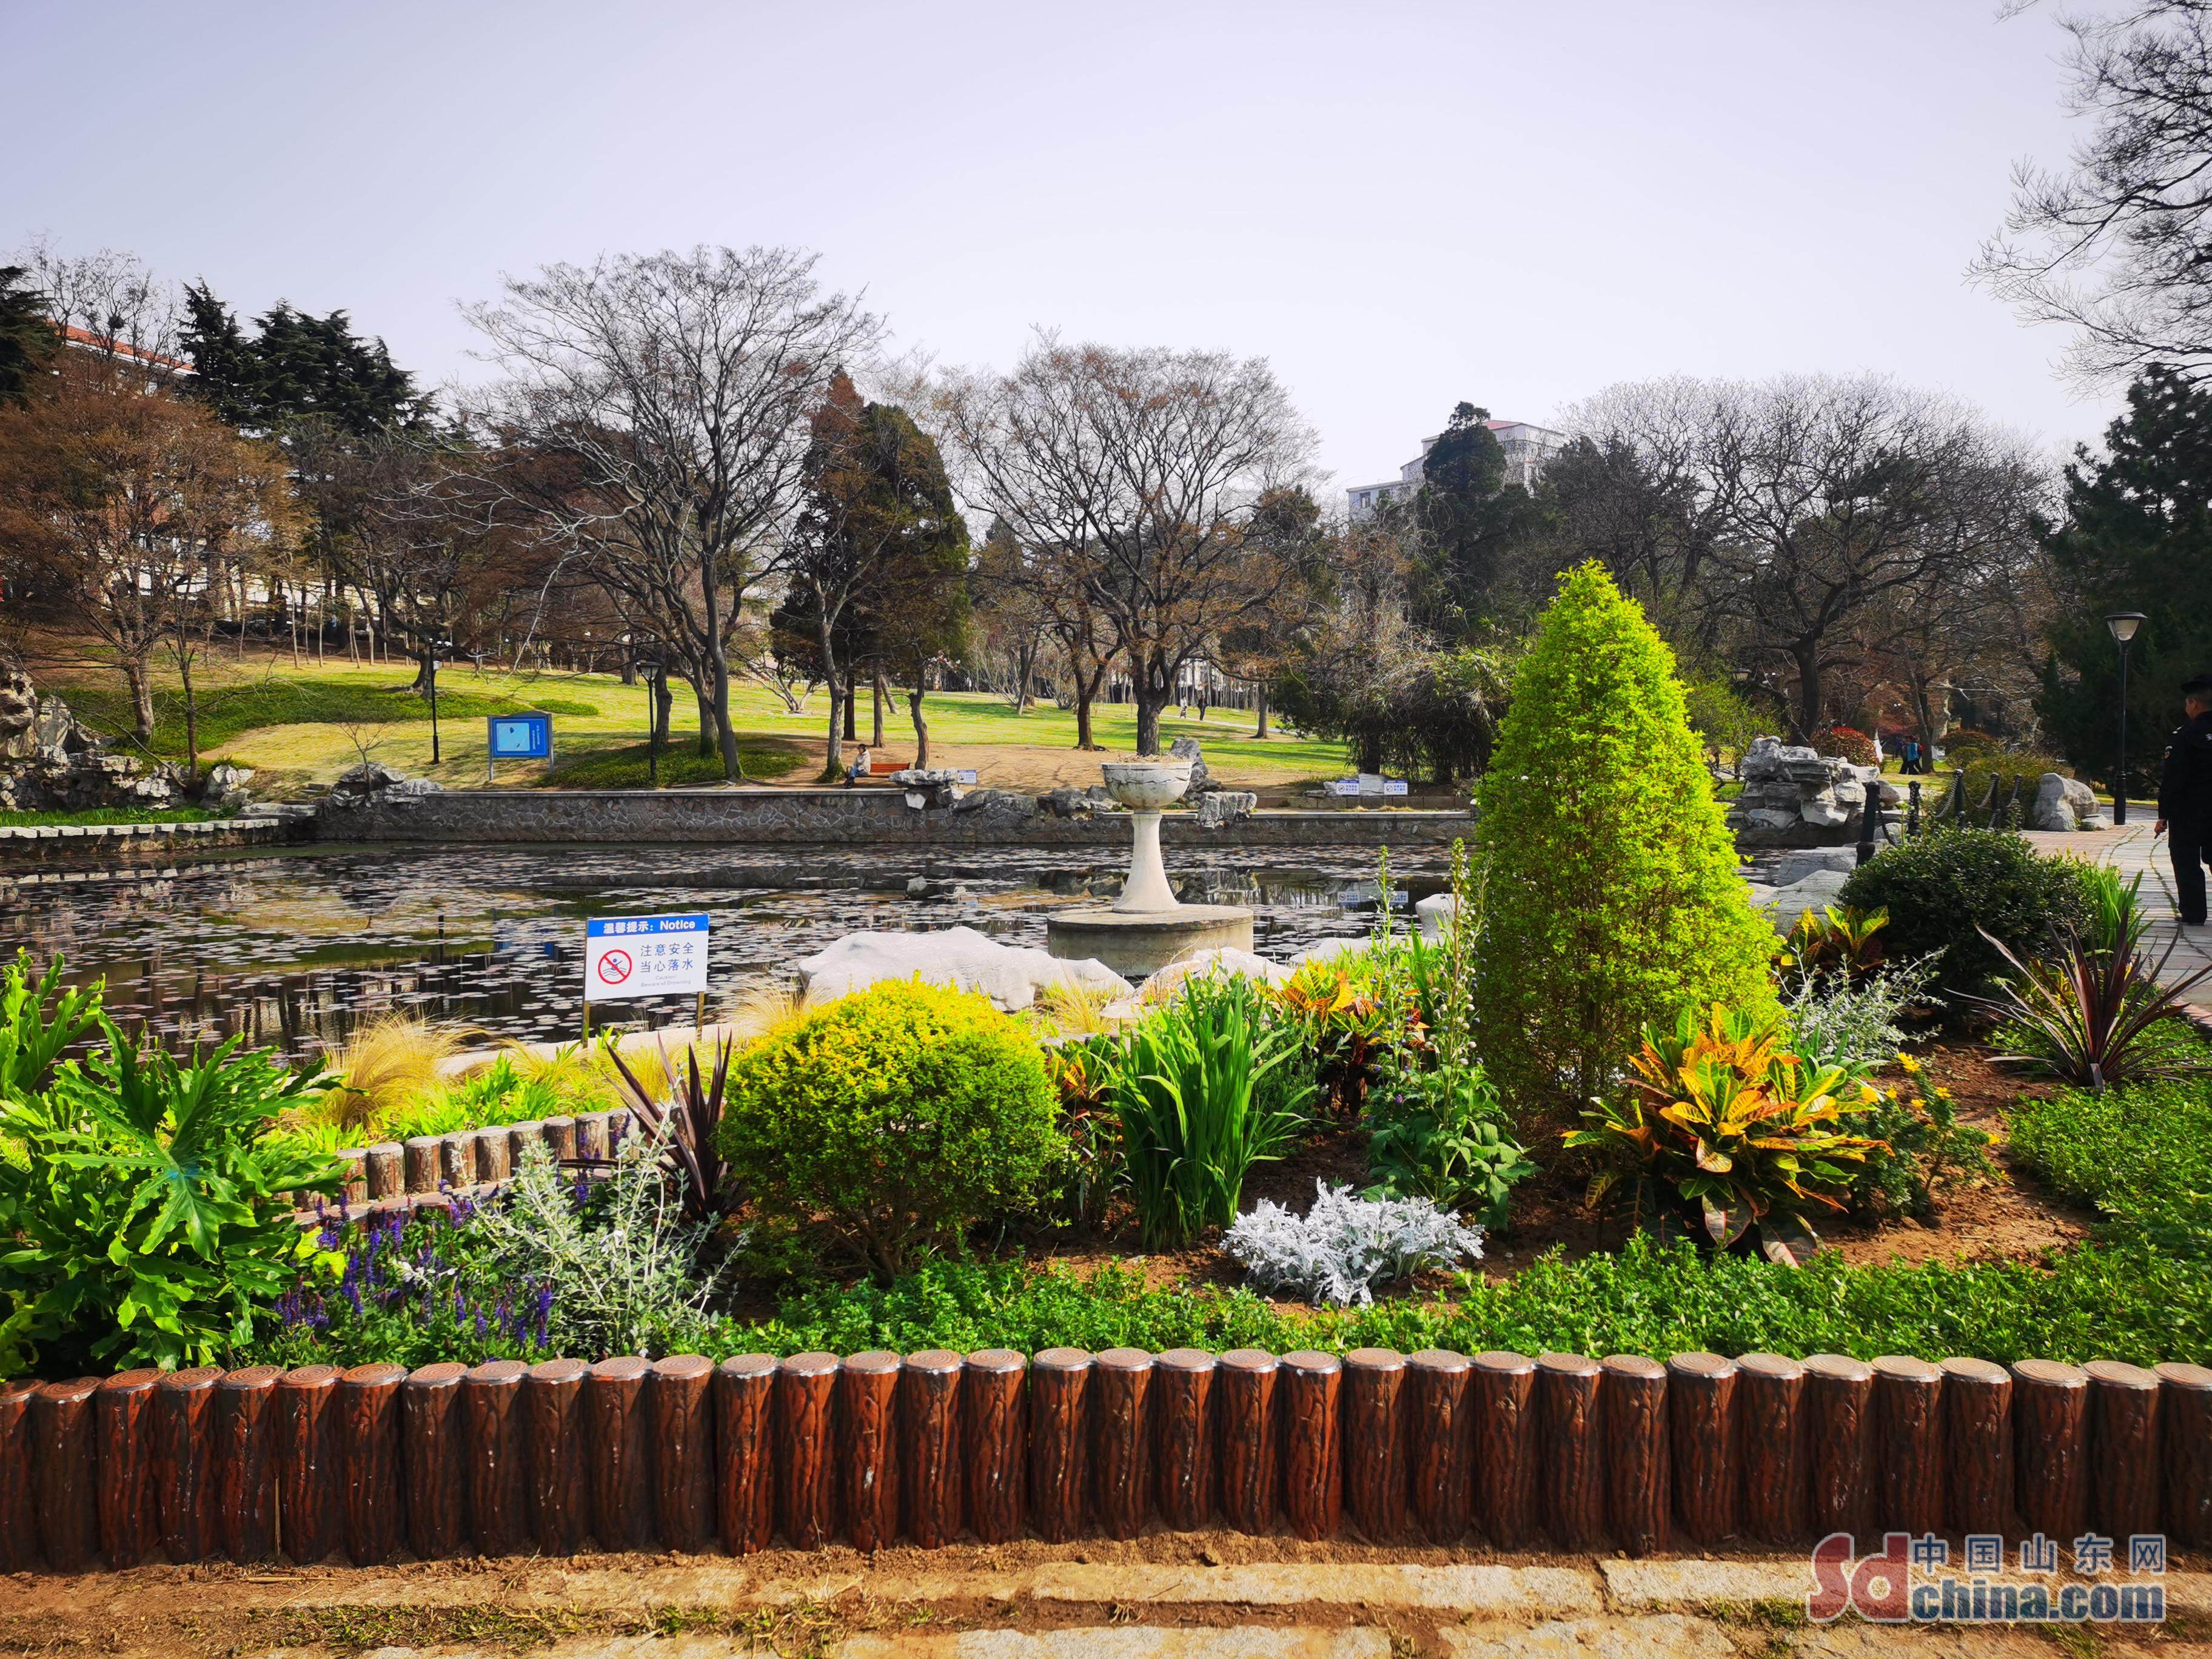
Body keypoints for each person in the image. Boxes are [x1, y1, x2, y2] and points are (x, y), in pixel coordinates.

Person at [2156, 674, 2212, 927]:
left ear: (2194, 704)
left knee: (2186, 860)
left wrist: (2164, 814)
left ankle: (2194, 913)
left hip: (2190, 811)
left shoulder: (2185, 735)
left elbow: (2174, 778)